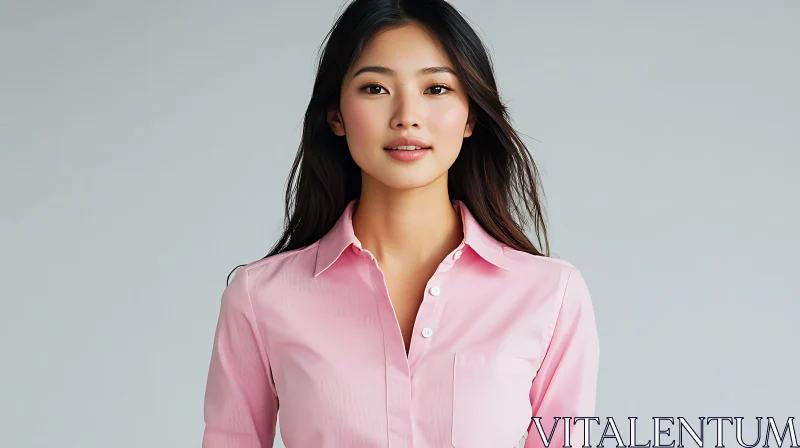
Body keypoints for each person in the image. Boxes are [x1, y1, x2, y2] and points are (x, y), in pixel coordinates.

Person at [202, 0, 600, 447]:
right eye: (375, 88)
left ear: (471, 115)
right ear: (335, 115)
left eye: (436, 89)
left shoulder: (550, 296)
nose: (406, 116)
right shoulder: (261, 298)